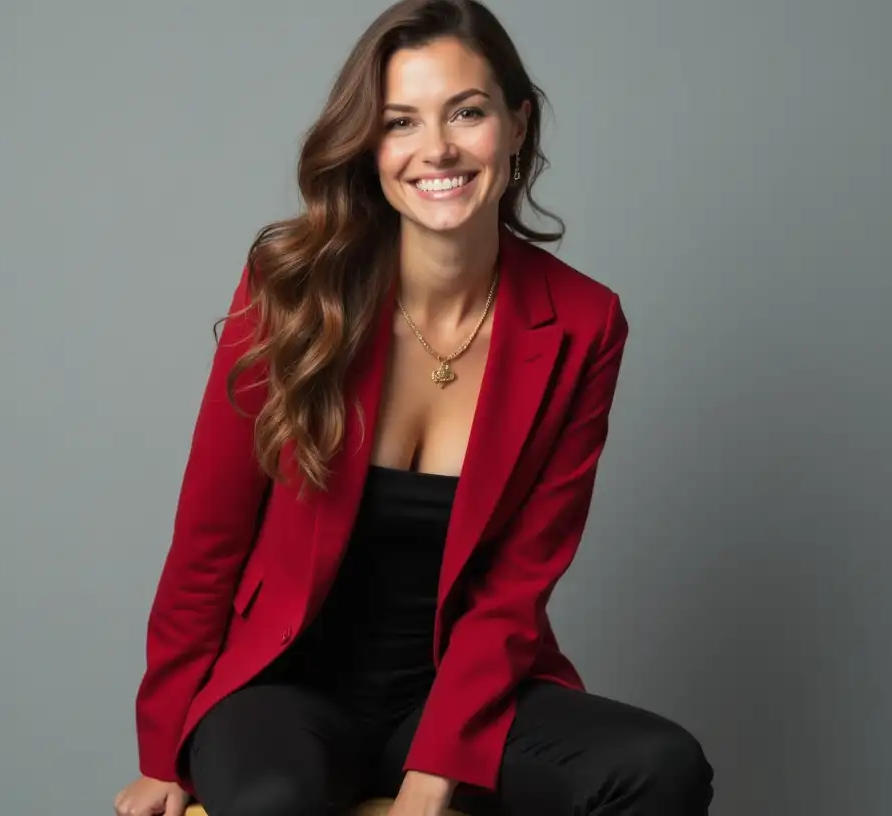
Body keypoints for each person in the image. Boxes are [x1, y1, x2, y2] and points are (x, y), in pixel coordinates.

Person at [113, 1, 713, 814]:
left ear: (516, 124)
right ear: (371, 145)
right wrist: (161, 748)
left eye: (466, 112)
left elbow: (517, 580)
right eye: (401, 121)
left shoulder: (582, 323)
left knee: (659, 767)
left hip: (456, 695)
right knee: (270, 805)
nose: (437, 149)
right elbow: (206, 543)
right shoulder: (290, 291)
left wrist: (435, 775)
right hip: (281, 689)